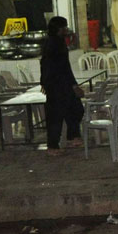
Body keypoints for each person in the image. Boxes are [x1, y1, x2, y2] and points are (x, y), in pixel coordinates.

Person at [39, 16, 84, 155]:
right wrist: (74, 85)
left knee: (74, 109)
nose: (66, 29)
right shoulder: (55, 44)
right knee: (56, 116)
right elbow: (62, 67)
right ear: (59, 29)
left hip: (57, 83)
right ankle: (53, 146)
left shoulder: (54, 42)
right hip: (58, 84)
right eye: (64, 27)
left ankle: (73, 136)